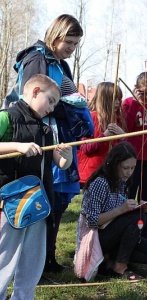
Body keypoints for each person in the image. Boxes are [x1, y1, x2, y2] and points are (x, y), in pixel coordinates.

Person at [8, 14, 94, 272]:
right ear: (55, 35)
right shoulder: (37, 58)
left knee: (57, 200)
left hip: (61, 138)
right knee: (43, 197)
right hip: (41, 137)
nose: (71, 48)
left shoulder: (61, 64)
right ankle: (33, 261)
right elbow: (33, 104)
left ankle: (47, 257)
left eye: (76, 44)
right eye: (68, 41)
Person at [0, 74, 73, 300]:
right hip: (10, 203)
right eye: (50, 101)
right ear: (35, 91)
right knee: (4, 259)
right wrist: (18, 146)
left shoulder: (46, 130)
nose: (51, 108)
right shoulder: (7, 118)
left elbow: (59, 163)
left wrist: (66, 156)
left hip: (39, 204)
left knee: (33, 262)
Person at [80, 141, 147, 280]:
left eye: (132, 168)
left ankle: (109, 259)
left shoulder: (122, 182)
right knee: (137, 217)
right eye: (125, 168)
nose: (129, 172)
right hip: (96, 238)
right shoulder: (101, 183)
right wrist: (121, 210)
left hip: (115, 235)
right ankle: (119, 266)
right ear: (114, 164)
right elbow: (92, 221)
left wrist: (139, 208)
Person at [122, 71, 147, 240]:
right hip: (132, 158)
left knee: (145, 200)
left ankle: (144, 236)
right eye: (144, 93)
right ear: (136, 89)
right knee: (129, 196)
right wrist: (137, 103)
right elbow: (127, 127)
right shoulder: (128, 102)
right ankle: (126, 232)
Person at [78, 82, 126, 188]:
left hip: (109, 173)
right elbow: (86, 148)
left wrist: (122, 137)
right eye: (115, 99)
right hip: (92, 173)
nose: (118, 103)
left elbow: (121, 151)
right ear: (105, 100)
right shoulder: (91, 118)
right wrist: (104, 136)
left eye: (119, 99)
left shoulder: (117, 120)